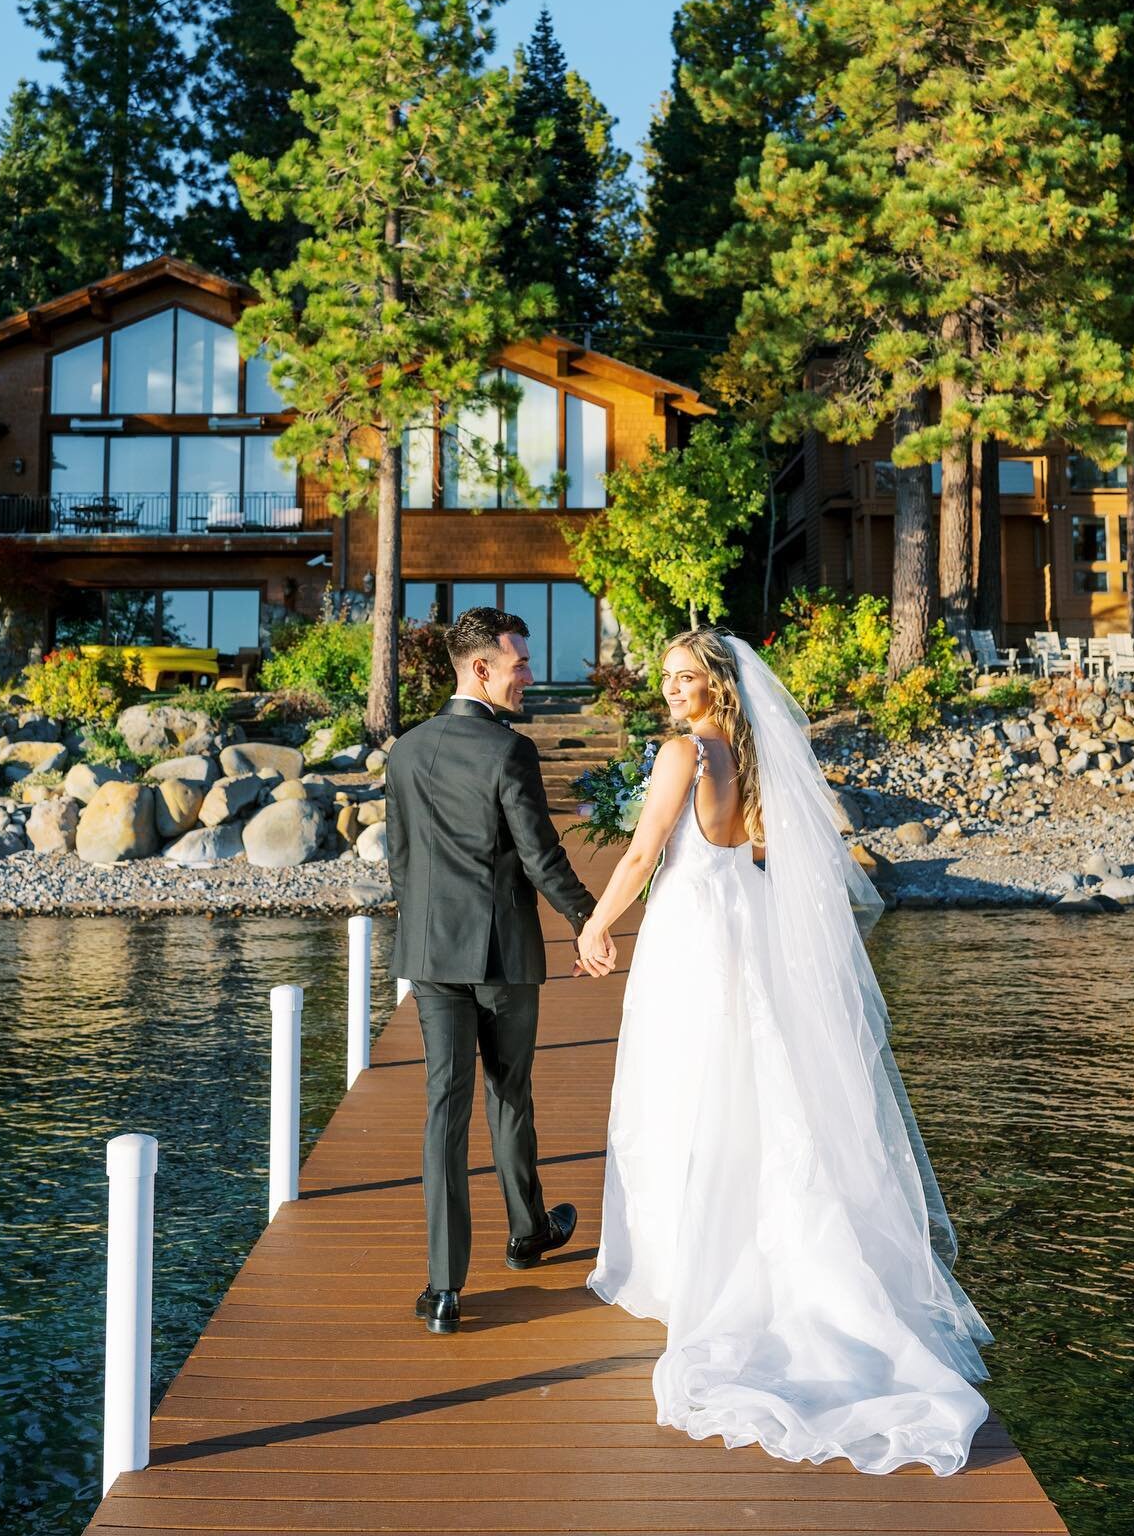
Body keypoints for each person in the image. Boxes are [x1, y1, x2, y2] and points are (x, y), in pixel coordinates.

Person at [578, 628, 994, 1475]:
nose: (672, 690)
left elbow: (644, 851)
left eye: (686, 678)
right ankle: (728, 1243)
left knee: (681, 1087)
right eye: (666, 679)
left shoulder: (683, 753)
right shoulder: (751, 750)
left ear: (715, 683)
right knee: (744, 1082)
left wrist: (595, 922)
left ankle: (680, 1260)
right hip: (742, 919)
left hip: (694, 930)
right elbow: (765, 850)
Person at [385, 605, 596, 1335]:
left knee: (444, 1110)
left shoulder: (405, 752)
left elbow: (401, 862)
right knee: (509, 1096)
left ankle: (444, 1289)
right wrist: (588, 917)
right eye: (520, 665)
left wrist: (419, 939)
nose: (529, 677)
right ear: (481, 668)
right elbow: (541, 859)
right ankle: (526, 1233)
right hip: (502, 953)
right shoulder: (510, 752)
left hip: (430, 953)